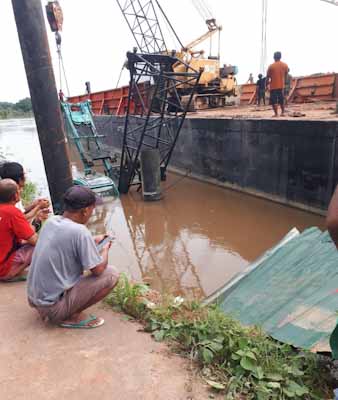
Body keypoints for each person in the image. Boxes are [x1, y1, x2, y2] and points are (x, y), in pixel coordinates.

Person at [27, 186, 119, 329]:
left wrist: (94, 239)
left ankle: (59, 308)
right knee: (111, 274)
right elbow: (98, 270)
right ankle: (70, 316)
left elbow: (66, 240)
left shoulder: (52, 221)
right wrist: (105, 248)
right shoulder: (80, 232)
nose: (91, 214)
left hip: (35, 299)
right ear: (85, 210)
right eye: (92, 209)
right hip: (51, 309)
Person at [0, 179, 38, 282]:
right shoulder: (12, 212)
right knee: (43, 245)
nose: (20, 191)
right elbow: (35, 240)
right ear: (15, 196)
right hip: (3, 269)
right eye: (18, 190)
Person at [0, 162, 50, 228]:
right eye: (24, 174)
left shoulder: (7, 191)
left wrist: (34, 205)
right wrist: (38, 207)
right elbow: (20, 218)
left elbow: (20, 211)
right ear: (20, 179)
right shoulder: (13, 194)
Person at [266, 51, 289, 117]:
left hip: (273, 87)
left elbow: (267, 77)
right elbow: (286, 75)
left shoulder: (271, 66)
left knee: (274, 101)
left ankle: (276, 114)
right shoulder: (285, 65)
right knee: (281, 99)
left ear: (274, 57)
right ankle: (283, 113)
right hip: (282, 86)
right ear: (280, 57)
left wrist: (267, 85)